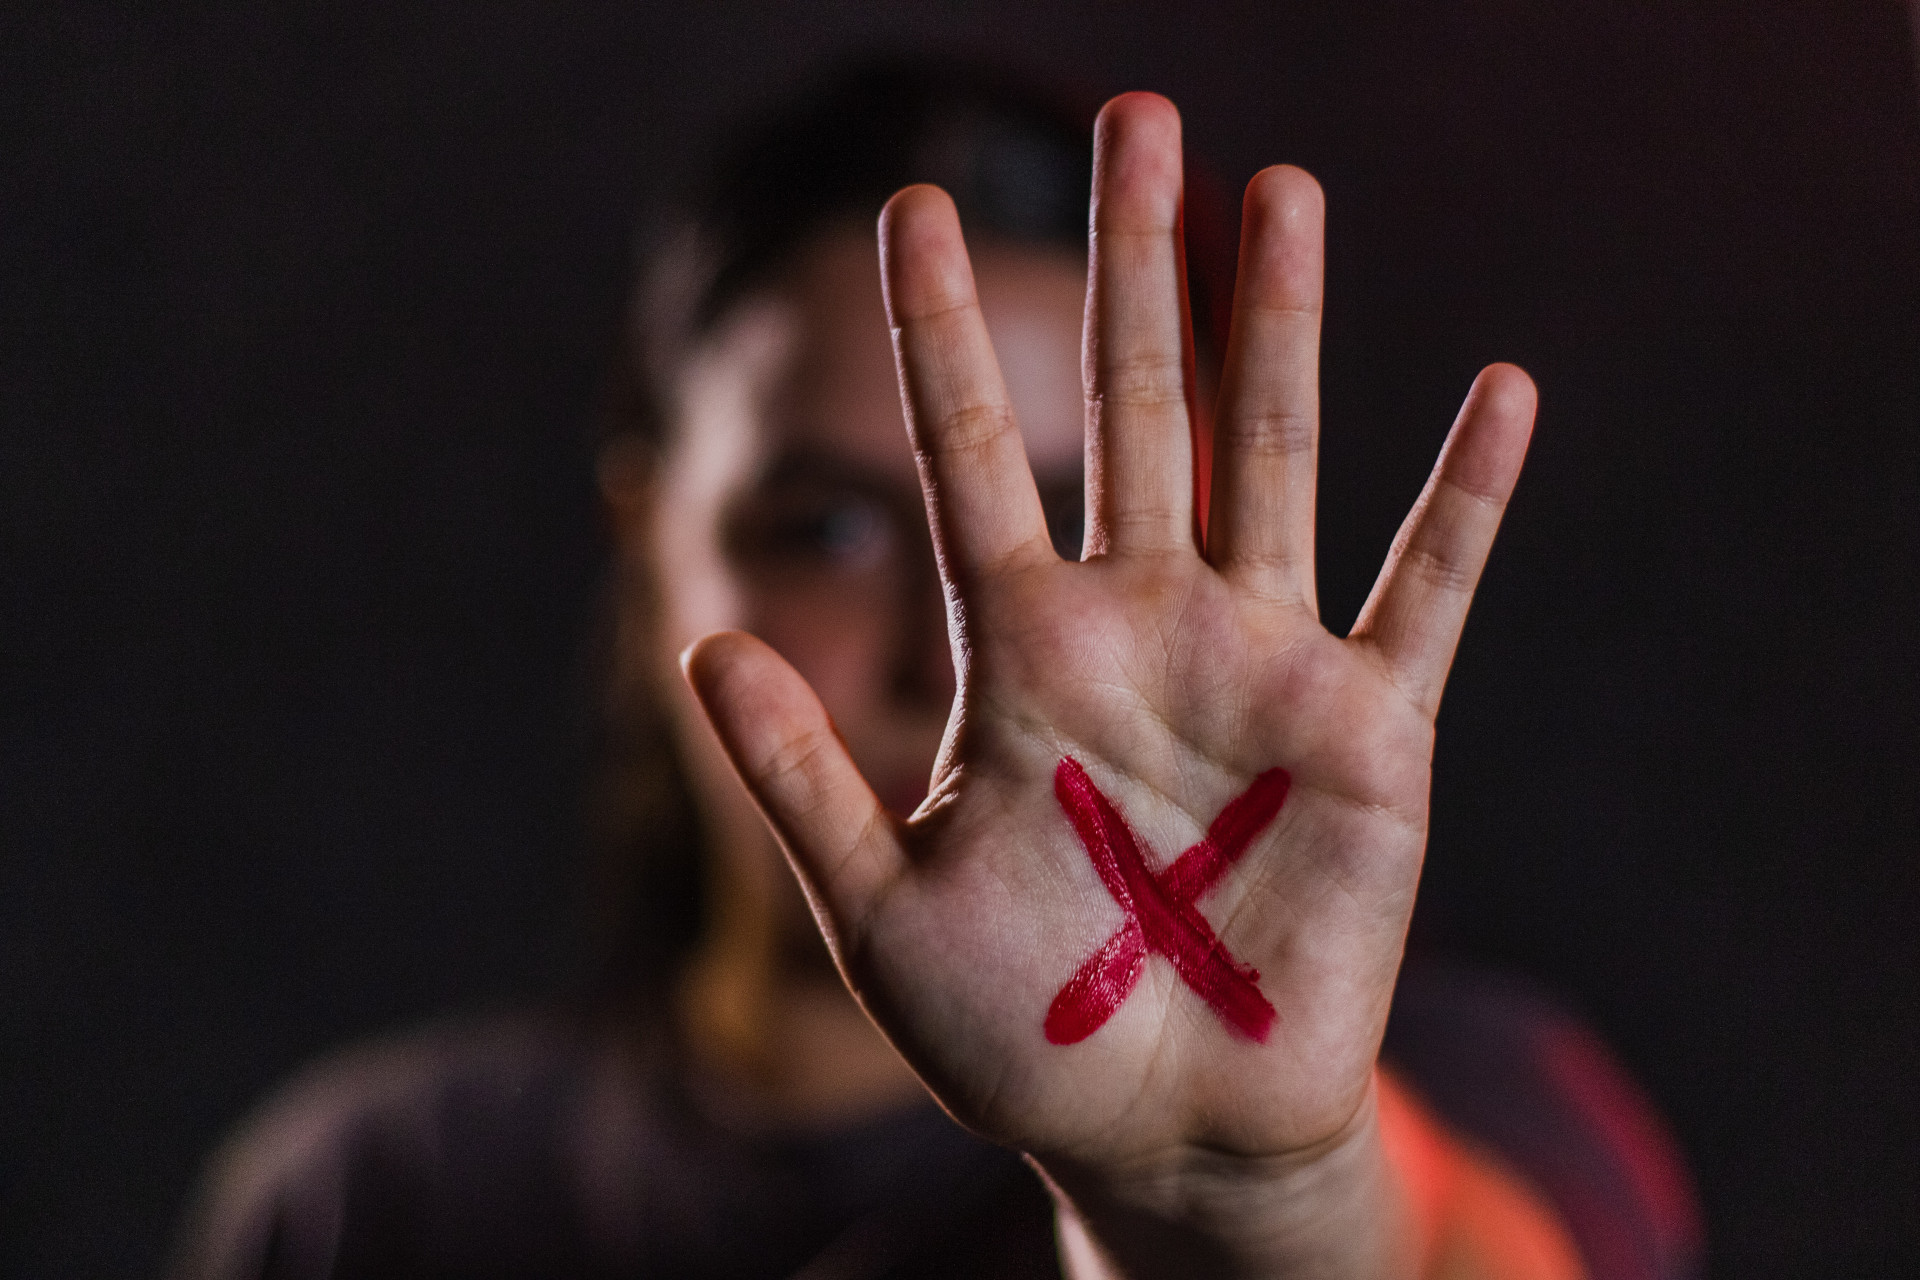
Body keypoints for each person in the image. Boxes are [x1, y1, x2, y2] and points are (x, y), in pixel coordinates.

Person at [169, 63, 1701, 1280]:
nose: (955, 663)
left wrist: (1253, 1197)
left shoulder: (1471, 1093)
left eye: (1068, 533)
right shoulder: (370, 1204)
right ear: (643, 546)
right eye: (828, 529)